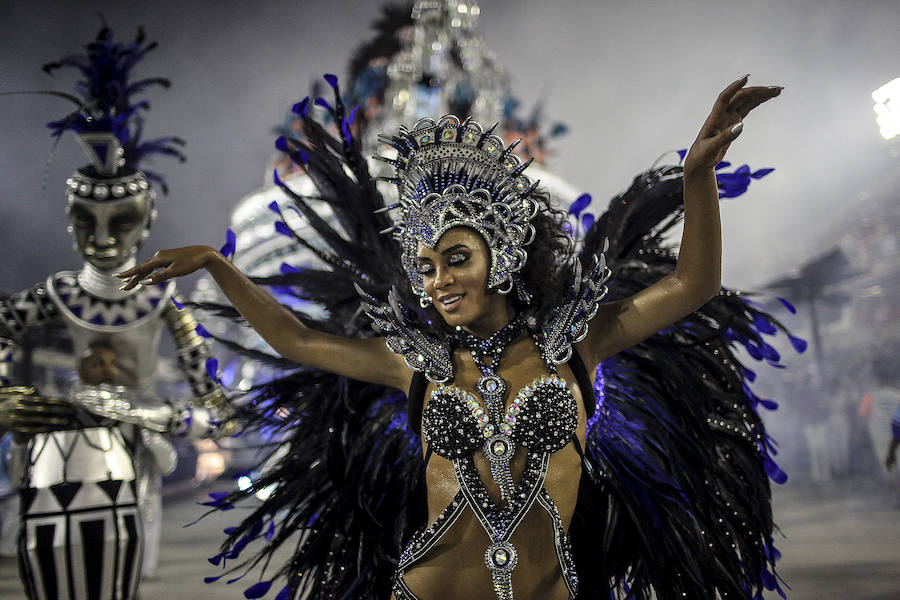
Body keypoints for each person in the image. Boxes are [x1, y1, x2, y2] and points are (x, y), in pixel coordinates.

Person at [118, 74, 782, 600]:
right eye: (428, 267)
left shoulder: (575, 345)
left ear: (504, 254)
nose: (438, 281)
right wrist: (217, 265)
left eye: (457, 259)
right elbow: (296, 339)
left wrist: (697, 176)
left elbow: (693, 283)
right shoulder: (417, 364)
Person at [0, 25, 236, 599]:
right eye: (87, 221)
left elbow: (216, 405)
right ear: (69, 221)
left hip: (139, 446)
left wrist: (168, 417)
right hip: (67, 443)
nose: (103, 239)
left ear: (147, 221)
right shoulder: (58, 292)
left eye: (120, 221)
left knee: (126, 568)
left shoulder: (161, 299)